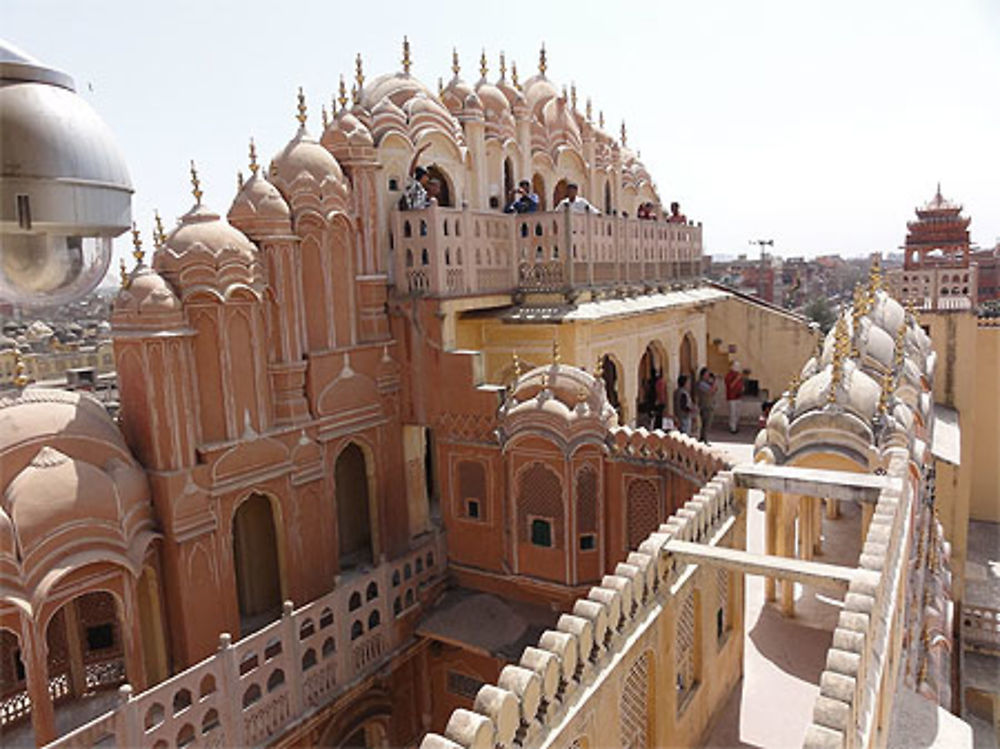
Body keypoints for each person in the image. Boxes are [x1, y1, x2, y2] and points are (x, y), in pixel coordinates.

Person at [403, 142, 432, 210]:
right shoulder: (413, 183)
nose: (427, 179)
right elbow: (412, 169)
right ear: (422, 176)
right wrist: (418, 153)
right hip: (414, 214)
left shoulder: (422, 189)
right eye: (426, 176)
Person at [695, 367, 717, 443]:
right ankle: (704, 439)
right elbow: (711, 391)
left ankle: (703, 438)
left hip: (709, 406)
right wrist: (713, 382)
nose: (708, 376)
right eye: (707, 374)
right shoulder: (702, 384)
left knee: (707, 423)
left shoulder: (707, 383)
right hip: (705, 406)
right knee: (706, 424)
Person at [724, 361, 745, 434]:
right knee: (732, 413)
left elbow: (741, 384)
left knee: (738, 412)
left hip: (738, 396)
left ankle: (736, 425)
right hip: (731, 397)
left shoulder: (739, 375)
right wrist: (737, 379)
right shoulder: (729, 375)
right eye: (736, 366)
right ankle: (732, 428)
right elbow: (730, 386)